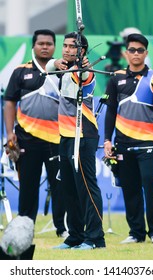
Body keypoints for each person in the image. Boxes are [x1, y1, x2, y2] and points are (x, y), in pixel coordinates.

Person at [103, 33, 153, 244]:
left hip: (149, 141)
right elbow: (111, 110)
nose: (135, 54)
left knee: (151, 185)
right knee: (130, 187)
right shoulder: (116, 78)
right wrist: (107, 140)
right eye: (132, 50)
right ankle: (136, 233)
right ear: (125, 52)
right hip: (123, 143)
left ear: (146, 53)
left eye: (140, 50)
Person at [4, 29, 68, 238]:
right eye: (41, 43)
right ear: (34, 45)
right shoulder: (21, 71)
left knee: (60, 185)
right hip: (26, 139)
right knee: (28, 186)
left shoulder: (63, 71)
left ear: (54, 46)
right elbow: (10, 102)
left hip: (57, 139)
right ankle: (25, 228)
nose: (45, 47)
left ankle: (63, 228)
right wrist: (10, 132)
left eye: (49, 44)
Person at [46, 31, 106, 250]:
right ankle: (75, 236)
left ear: (82, 51)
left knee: (86, 187)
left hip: (83, 134)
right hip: (66, 135)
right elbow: (47, 68)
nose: (67, 50)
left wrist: (81, 64)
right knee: (68, 188)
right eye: (65, 46)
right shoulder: (63, 68)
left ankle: (95, 238)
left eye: (73, 47)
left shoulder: (84, 72)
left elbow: (83, 77)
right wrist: (57, 61)